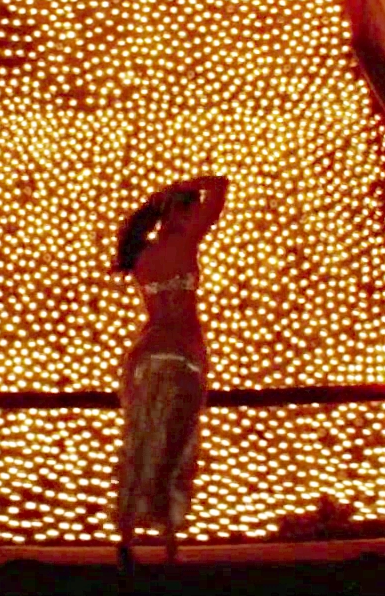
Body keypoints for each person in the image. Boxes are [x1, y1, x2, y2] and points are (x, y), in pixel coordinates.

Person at [110, 175, 228, 571]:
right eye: (189, 211)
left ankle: (127, 537)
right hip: (182, 354)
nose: (196, 217)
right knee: (176, 448)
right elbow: (221, 186)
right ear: (179, 213)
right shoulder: (185, 243)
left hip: (145, 356)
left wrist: (161, 200)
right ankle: (171, 545)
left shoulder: (141, 254)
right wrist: (181, 186)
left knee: (140, 442)